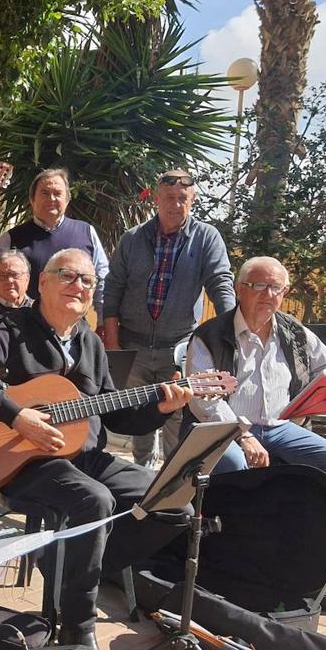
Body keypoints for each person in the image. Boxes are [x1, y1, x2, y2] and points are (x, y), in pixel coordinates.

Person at [0, 249, 192, 650]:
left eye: (87, 281)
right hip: (24, 462)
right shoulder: (12, 329)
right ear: (43, 283)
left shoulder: (90, 342)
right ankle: (78, 626)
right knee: (95, 502)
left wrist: (162, 407)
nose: (78, 286)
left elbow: (116, 411)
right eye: (67, 276)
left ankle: (67, 563)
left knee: (174, 502)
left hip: (86, 456)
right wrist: (17, 416)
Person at [102, 169, 236, 467]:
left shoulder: (206, 238)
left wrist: (232, 329)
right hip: (132, 346)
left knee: (177, 416)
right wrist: (113, 344)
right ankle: (140, 478)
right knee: (139, 415)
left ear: (193, 199)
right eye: (169, 198)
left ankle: (170, 485)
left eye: (182, 199)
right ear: (156, 199)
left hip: (178, 348)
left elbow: (220, 282)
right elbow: (112, 290)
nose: (175, 205)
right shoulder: (133, 238)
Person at [185, 256, 326, 486]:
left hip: (281, 427)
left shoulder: (294, 331)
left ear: (284, 292)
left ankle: (307, 518)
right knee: (234, 463)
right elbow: (204, 399)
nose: (268, 294)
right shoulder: (210, 335)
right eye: (259, 286)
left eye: (276, 287)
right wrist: (242, 434)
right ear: (239, 289)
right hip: (223, 429)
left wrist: (306, 404)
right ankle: (234, 520)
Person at [0, 168, 110, 314]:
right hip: (26, 325)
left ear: (67, 199)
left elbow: (102, 278)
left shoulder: (86, 232)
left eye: (58, 194)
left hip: (75, 326)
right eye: (45, 193)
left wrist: (102, 319)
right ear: (31, 199)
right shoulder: (12, 238)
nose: (51, 199)